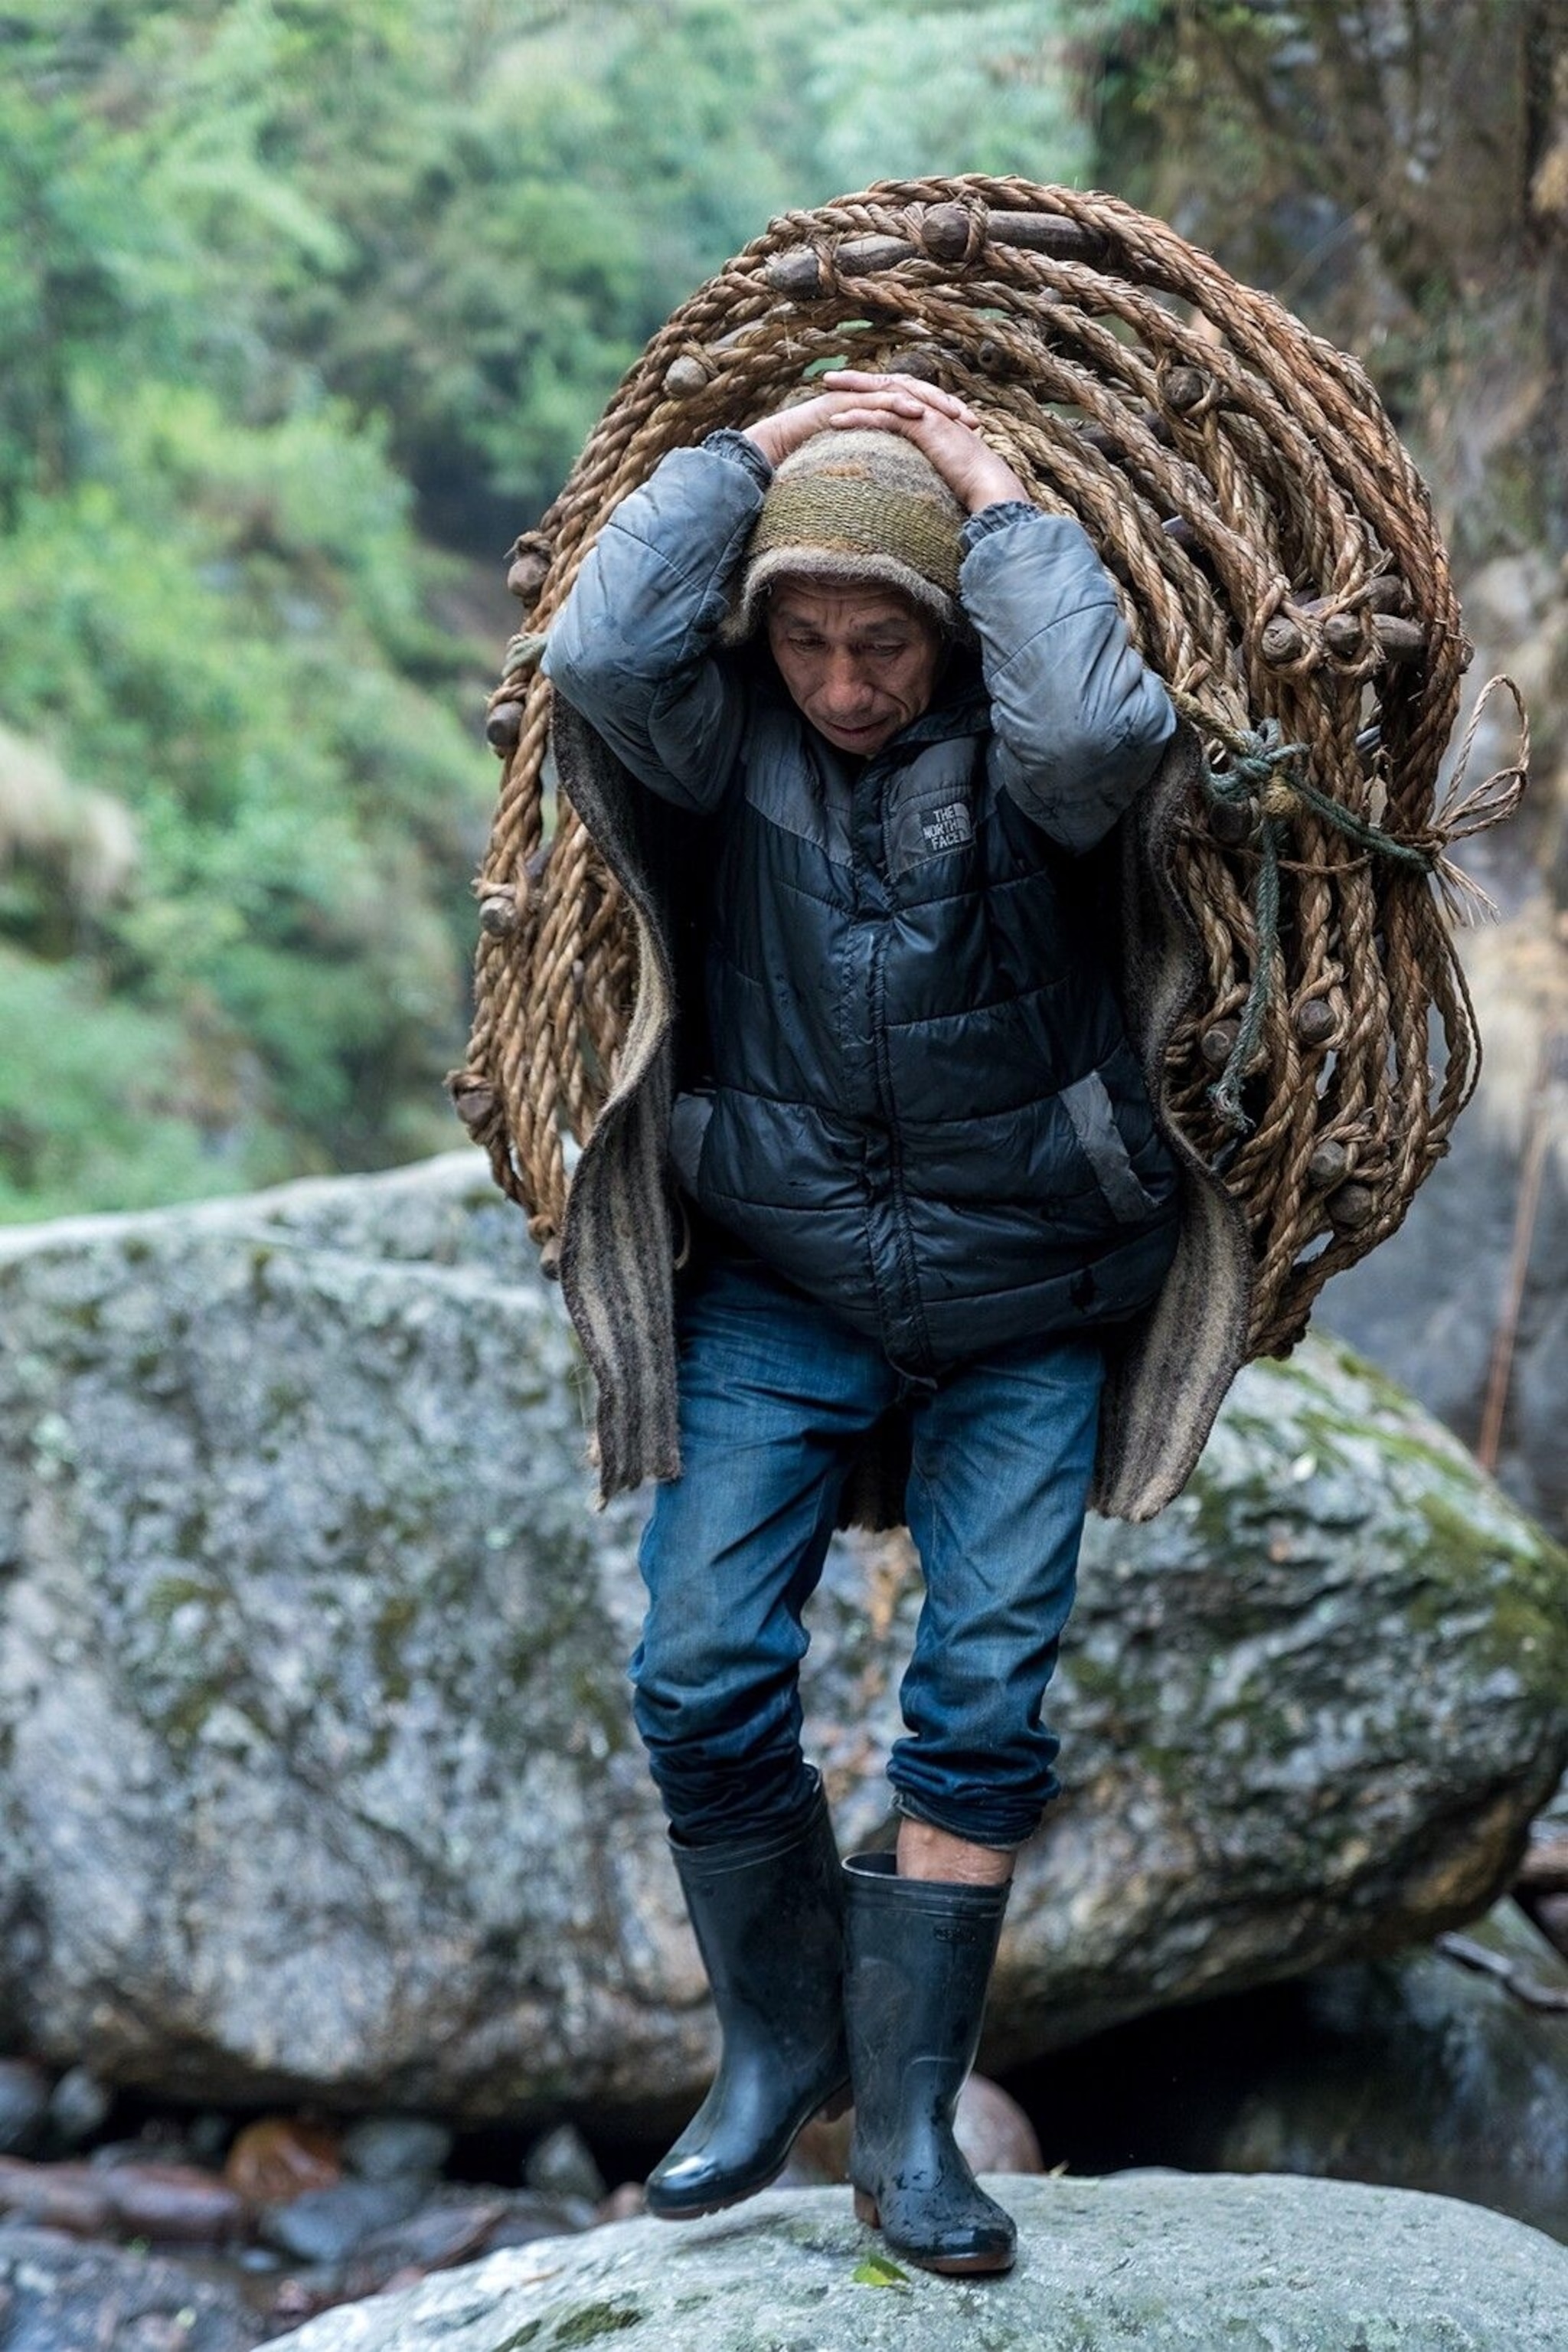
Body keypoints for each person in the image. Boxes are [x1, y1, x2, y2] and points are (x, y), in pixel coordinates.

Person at [541, 370, 1183, 2276]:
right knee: (697, 1669)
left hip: (1029, 1287)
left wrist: (986, 486)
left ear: (945, 630)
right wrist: (745, 451)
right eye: (806, 639)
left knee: (980, 1703)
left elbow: (1106, 722)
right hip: (780, 1273)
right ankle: (776, 2051)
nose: (840, 683)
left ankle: (909, 2129)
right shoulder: (719, 743)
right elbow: (595, 650)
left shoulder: (1028, 761)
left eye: (880, 642)